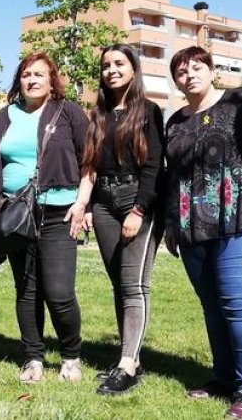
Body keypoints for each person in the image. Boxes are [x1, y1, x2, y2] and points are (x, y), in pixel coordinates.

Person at [164, 46, 242, 419]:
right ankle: (224, 377)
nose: (188, 74)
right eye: (180, 70)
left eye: (196, 67)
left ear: (211, 70)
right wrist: (170, 224)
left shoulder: (240, 102)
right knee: (212, 308)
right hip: (191, 228)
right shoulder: (174, 122)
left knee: (241, 307)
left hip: (237, 222)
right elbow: (172, 176)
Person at [0, 53, 88, 384]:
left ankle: (71, 355)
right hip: (17, 213)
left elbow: (90, 160)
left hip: (59, 211)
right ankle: (33, 358)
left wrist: (82, 204)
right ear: (20, 80)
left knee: (59, 292)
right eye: (26, 74)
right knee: (26, 289)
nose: (32, 80)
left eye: (39, 74)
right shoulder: (6, 116)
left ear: (52, 79)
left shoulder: (67, 111)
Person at [77, 45, 165, 396]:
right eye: (106, 65)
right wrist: (85, 206)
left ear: (133, 69)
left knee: (134, 286)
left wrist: (139, 210)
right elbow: (91, 165)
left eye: (119, 64)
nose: (111, 70)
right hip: (103, 205)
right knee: (119, 285)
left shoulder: (148, 111)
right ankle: (132, 358)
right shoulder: (97, 114)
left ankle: (127, 364)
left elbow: (155, 165)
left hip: (135, 200)